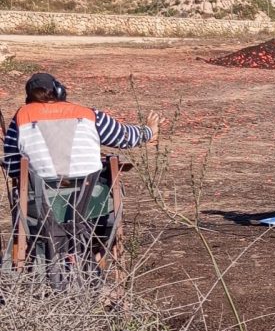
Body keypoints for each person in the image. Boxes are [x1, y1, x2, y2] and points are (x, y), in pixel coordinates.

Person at [2, 72, 161, 278]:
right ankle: (93, 263)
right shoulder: (88, 115)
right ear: (60, 91)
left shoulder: (21, 117)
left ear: (29, 98)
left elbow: (14, 168)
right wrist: (148, 131)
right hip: (94, 211)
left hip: (40, 212)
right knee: (108, 182)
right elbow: (125, 137)